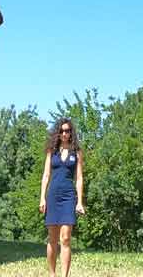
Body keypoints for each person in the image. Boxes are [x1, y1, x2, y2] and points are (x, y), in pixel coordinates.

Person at [39, 117, 85, 277]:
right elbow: (46, 175)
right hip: (52, 196)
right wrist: (42, 198)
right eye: (62, 131)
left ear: (71, 133)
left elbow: (79, 178)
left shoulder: (77, 152)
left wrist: (80, 202)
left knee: (65, 238)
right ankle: (52, 274)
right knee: (52, 239)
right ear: (57, 133)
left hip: (68, 197)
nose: (65, 133)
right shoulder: (51, 152)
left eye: (67, 131)